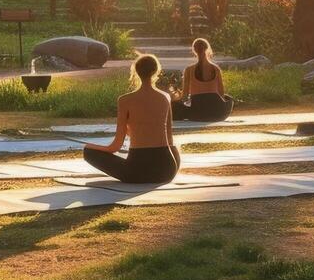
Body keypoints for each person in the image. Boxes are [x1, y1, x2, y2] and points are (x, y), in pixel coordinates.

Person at [80, 54, 181, 184]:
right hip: (166, 170)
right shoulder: (165, 97)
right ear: (156, 71)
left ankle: (88, 149)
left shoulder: (124, 100)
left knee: (89, 152)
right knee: (172, 148)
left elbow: (115, 146)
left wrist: (90, 146)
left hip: (137, 171)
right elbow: (170, 139)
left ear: (136, 72)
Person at [171, 38, 234, 123]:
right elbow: (221, 93)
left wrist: (175, 98)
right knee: (228, 98)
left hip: (198, 111)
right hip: (216, 111)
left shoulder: (189, 70)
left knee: (173, 105)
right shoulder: (216, 68)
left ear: (194, 51)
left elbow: (185, 96)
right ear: (207, 49)